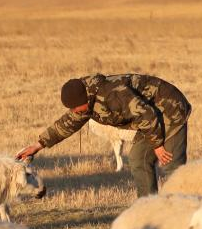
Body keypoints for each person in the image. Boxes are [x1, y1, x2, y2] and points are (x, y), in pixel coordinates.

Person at [16, 73, 191, 197]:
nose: (74, 112)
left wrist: (158, 145)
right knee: (138, 159)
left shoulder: (112, 94)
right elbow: (67, 123)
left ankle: (185, 210)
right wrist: (38, 145)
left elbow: (146, 114)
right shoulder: (86, 100)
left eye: (76, 108)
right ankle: (148, 211)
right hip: (150, 120)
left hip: (171, 110)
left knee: (172, 167)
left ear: (83, 100)